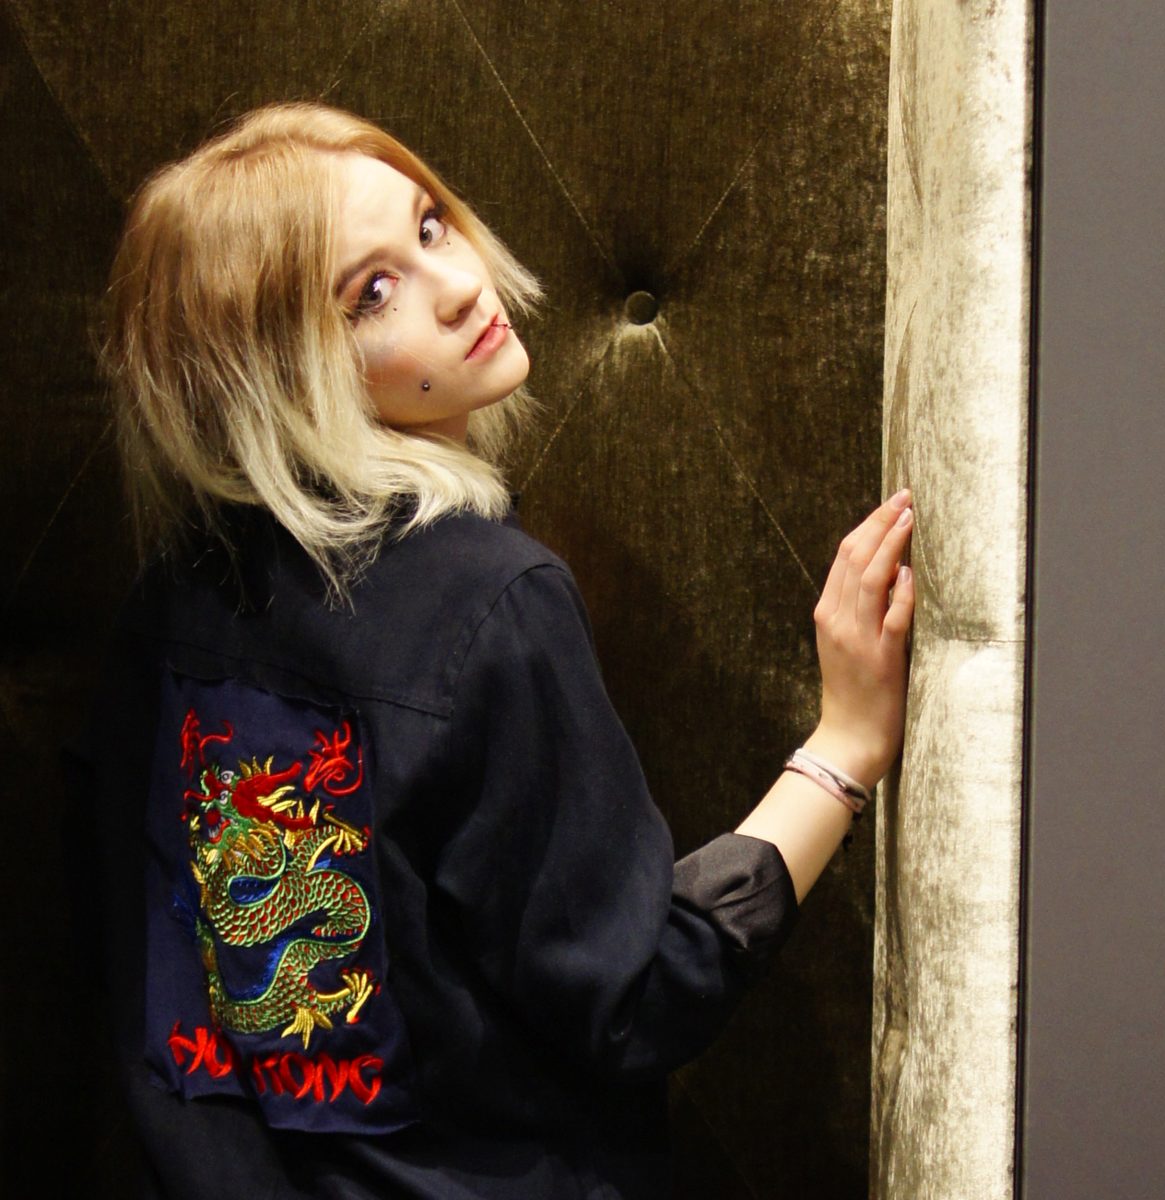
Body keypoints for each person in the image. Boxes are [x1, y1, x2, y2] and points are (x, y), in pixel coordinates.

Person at [70, 101, 913, 1199]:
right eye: (371, 294)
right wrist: (844, 750)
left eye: (429, 226)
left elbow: (152, 997)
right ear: (276, 373)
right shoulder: (494, 601)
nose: (461, 285)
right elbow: (635, 999)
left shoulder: (165, 603)